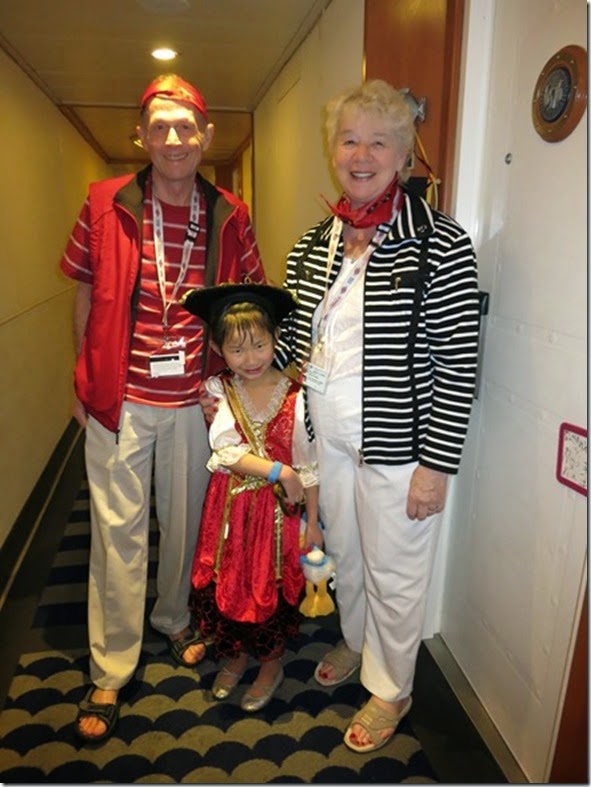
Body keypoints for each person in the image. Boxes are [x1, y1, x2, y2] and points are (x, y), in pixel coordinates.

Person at [273, 79, 480, 752]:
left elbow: (458, 362)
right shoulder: (313, 244)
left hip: (399, 449)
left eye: (378, 142)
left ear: (404, 156)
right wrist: (239, 354)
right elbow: (292, 343)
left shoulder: (439, 242)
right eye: (349, 140)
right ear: (332, 149)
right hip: (326, 439)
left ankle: (391, 687)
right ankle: (357, 640)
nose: (361, 155)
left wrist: (435, 466)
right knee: (346, 555)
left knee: (394, 572)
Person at [60, 74, 266, 743]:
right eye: (159, 127)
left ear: (206, 136)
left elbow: (252, 298)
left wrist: (244, 389)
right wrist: (83, 378)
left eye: (185, 127)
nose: (173, 139)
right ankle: (111, 665)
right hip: (120, 401)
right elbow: (84, 292)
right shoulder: (104, 203)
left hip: (193, 404)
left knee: (184, 527)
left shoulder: (230, 213)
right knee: (116, 534)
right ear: (141, 136)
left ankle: (173, 617)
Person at [180, 283, 321, 712]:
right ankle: (237, 656)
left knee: (269, 585)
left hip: (277, 517)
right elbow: (225, 451)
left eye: (260, 345)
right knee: (229, 581)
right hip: (229, 510)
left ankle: (270, 665)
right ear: (218, 349)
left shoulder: (297, 395)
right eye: (237, 350)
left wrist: (314, 523)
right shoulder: (220, 390)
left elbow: (309, 465)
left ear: (276, 339)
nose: (251, 358)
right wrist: (278, 470)